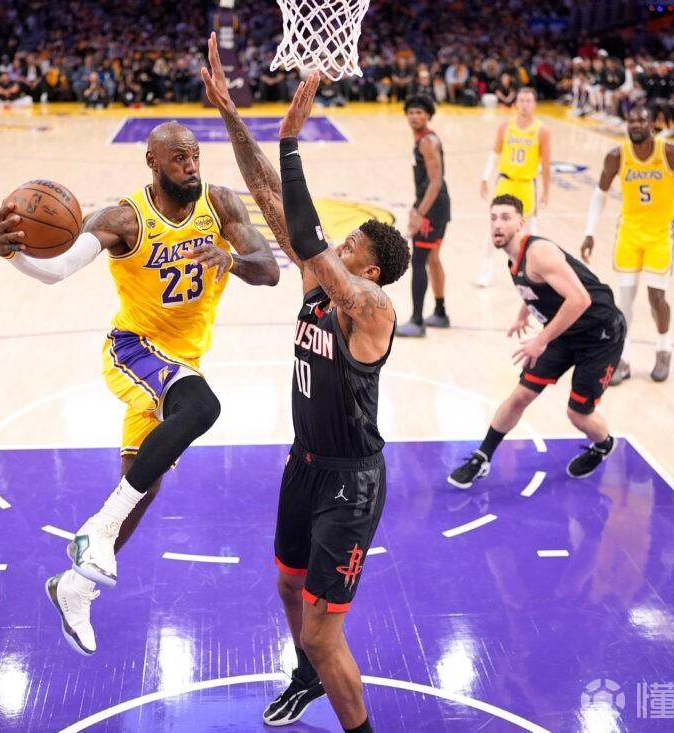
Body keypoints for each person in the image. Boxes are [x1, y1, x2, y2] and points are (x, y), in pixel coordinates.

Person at [0, 124, 280, 657]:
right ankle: (97, 531)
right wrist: (12, 254)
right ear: (153, 162)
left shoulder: (219, 204)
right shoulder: (124, 219)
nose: (190, 165)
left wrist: (232, 261)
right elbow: (57, 269)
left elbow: (269, 271)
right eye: (179, 157)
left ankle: (73, 587)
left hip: (181, 362)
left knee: (142, 485)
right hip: (133, 350)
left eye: (195, 155)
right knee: (203, 406)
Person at [202, 36, 410, 733]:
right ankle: (305, 676)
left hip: (352, 481)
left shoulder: (371, 309)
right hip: (305, 465)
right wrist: (232, 113)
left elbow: (312, 240)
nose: (336, 248)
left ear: (370, 270)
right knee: (288, 583)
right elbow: (268, 195)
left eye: (351, 248)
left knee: (326, 633)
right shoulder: (321, 283)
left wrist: (292, 141)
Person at [450, 195, 625, 489]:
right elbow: (537, 288)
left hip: (600, 335)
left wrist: (541, 340)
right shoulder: (513, 257)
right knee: (521, 395)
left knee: (578, 414)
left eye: (505, 218)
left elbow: (580, 299)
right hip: (565, 331)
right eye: (493, 218)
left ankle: (604, 444)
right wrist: (523, 314)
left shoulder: (539, 253)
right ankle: (482, 457)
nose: (497, 224)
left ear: (521, 223)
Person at [581, 104, 674, 383]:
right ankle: (622, 359)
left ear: (652, 125)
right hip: (629, 231)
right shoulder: (617, 156)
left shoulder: (670, 152)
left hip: (660, 232)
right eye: (631, 121)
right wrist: (590, 232)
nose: (636, 125)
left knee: (656, 298)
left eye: (641, 120)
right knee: (624, 300)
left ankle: (664, 349)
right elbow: (600, 193)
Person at [476, 87, 550, 287]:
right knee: (494, 227)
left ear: (534, 104)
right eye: (522, 100)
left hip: (526, 185)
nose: (525, 104)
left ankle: (533, 273)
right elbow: (495, 154)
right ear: (516, 103)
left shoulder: (542, 130)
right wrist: (484, 178)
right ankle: (486, 271)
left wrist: (546, 191)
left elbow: (546, 163)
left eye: (529, 101)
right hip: (506, 183)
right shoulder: (505, 126)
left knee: (530, 232)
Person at [397, 94, 451, 337]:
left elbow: (435, 182)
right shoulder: (423, 139)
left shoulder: (427, 141)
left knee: (419, 261)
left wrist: (419, 212)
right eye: (411, 112)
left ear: (428, 115)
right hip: (436, 205)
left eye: (419, 112)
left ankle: (417, 321)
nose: (415, 116)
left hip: (433, 209)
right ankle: (440, 313)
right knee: (433, 259)